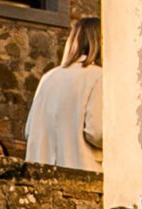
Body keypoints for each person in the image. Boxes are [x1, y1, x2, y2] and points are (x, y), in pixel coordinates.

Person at [24, 16, 104, 171]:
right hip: (81, 170)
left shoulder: (48, 78)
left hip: (40, 174)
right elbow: (97, 132)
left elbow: (29, 130)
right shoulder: (98, 76)